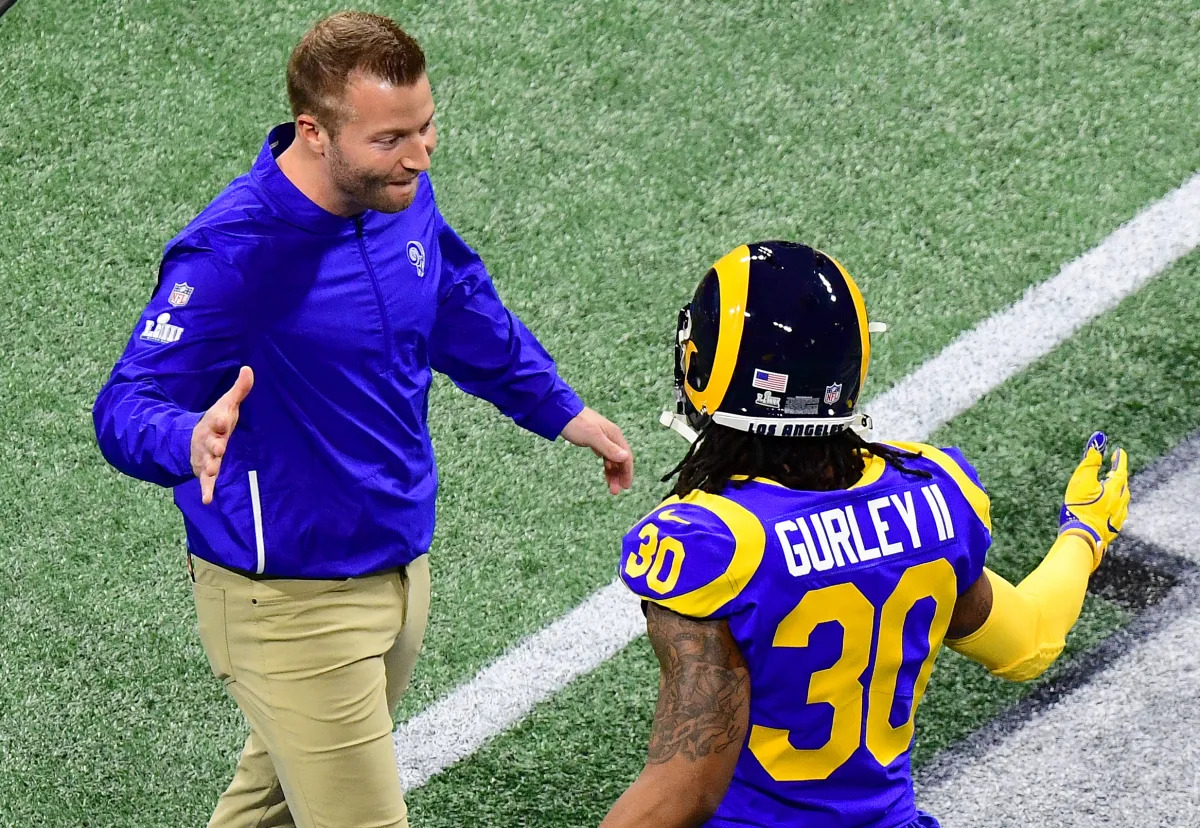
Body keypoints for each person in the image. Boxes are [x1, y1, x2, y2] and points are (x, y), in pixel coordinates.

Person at [93, 11, 634, 828]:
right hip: (293, 605)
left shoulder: (396, 196)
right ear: (314, 132)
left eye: (426, 126)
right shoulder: (235, 253)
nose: (420, 155)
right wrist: (186, 438)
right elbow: (124, 403)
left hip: (399, 566)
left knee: (269, 813)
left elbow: (453, 299)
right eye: (390, 139)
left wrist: (559, 409)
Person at [600, 241, 1129, 828]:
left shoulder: (713, 542)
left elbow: (681, 791)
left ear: (707, 369)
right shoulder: (934, 494)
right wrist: (1083, 536)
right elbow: (1029, 642)